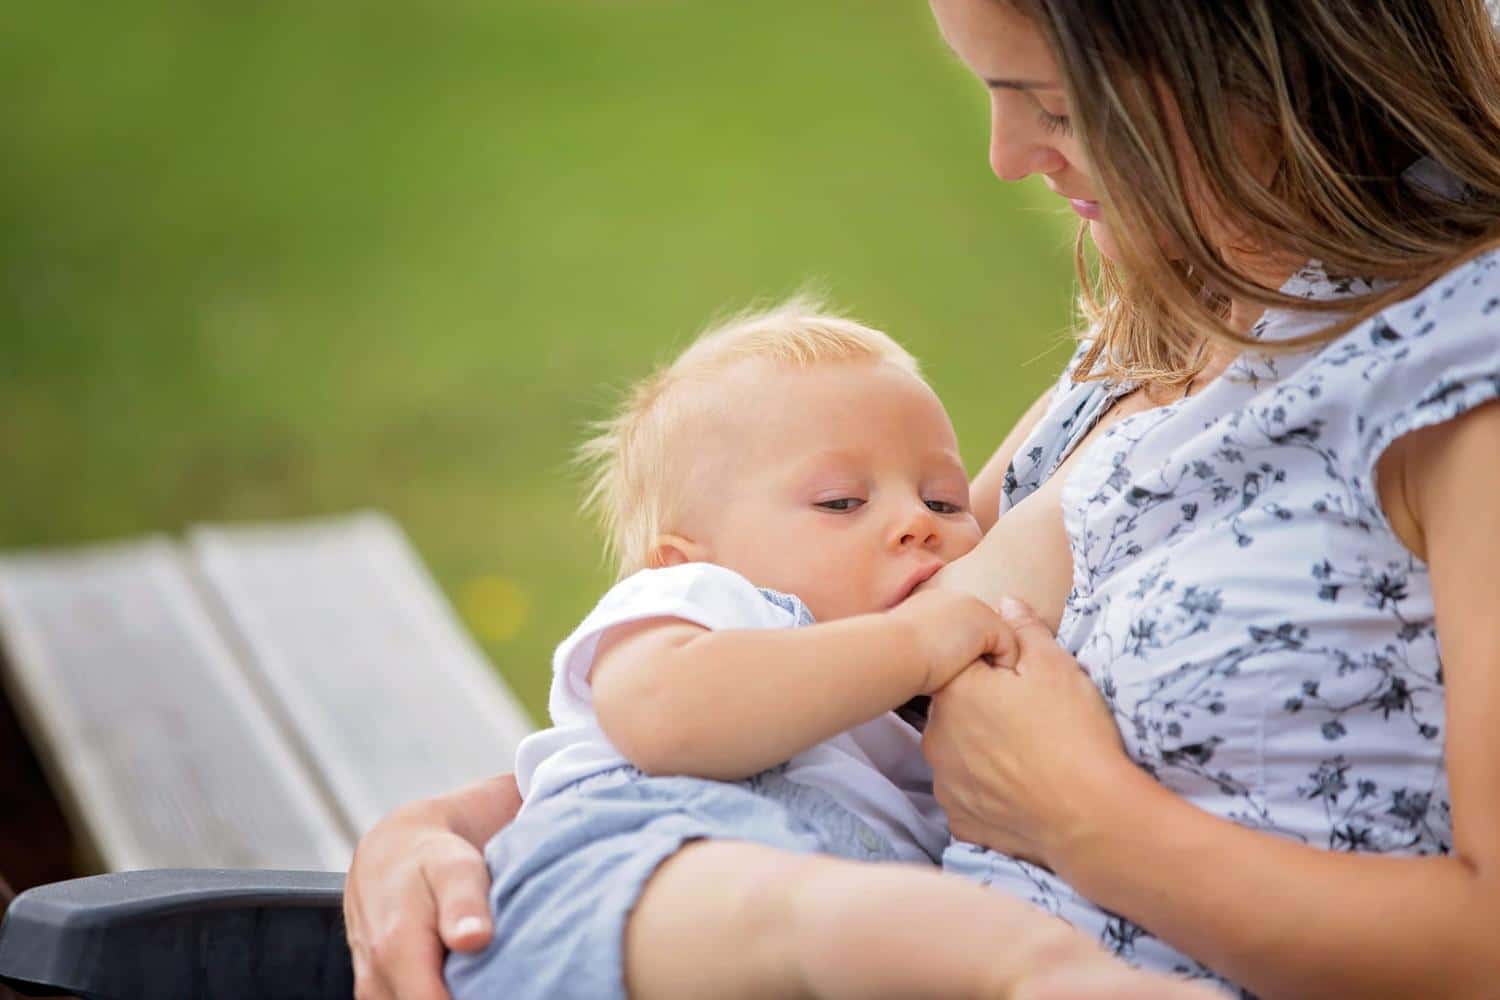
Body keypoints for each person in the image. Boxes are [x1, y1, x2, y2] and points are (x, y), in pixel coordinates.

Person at [345, 1, 1500, 997]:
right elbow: (810, 658)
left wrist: (1088, 824)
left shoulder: (1454, 374)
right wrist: (466, 825)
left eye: (1050, 103)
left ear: (1255, 57)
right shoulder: (1192, 305)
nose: (1006, 153)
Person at [442, 300, 1204, 999]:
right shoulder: (708, 603)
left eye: (942, 499)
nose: (919, 522)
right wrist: (913, 641)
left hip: (829, 911)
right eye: (842, 502)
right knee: (827, 916)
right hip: (654, 863)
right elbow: (663, 717)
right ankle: (1039, 975)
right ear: (686, 559)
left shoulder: (918, 707)